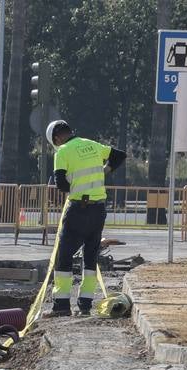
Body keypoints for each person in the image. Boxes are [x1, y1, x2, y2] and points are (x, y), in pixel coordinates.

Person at [46, 120, 126, 316]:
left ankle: (62, 306)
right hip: (98, 210)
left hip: (77, 211)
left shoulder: (62, 151)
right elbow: (119, 155)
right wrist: (104, 172)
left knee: (63, 257)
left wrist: (75, 185)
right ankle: (85, 305)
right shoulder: (92, 145)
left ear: (56, 138)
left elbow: (62, 186)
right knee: (90, 258)